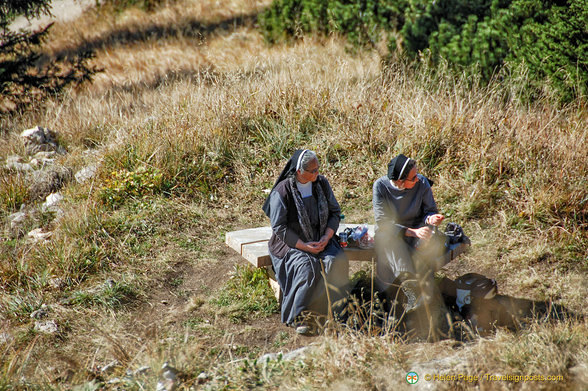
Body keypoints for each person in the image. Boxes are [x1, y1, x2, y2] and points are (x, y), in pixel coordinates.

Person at [262, 149, 349, 334]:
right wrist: (303, 245)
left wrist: (326, 237)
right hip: (291, 243)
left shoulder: (322, 184)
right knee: (306, 268)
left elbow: (334, 212)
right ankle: (299, 316)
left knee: (335, 261)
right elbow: (279, 227)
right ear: (300, 171)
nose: (317, 173)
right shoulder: (283, 191)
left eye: (318, 169)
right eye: (313, 170)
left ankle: (330, 313)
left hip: (321, 237)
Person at [372, 153, 449, 339]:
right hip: (393, 231)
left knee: (427, 248)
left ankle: (430, 308)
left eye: (416, 175)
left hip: (418, 229)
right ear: (399, 181)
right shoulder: (380, 187)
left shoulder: (421, 183)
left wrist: (430, 220)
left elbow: (429, 211)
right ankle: (411, 288)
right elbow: (383, 222)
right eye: (412, 177)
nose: (418, 178)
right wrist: (412, 232)